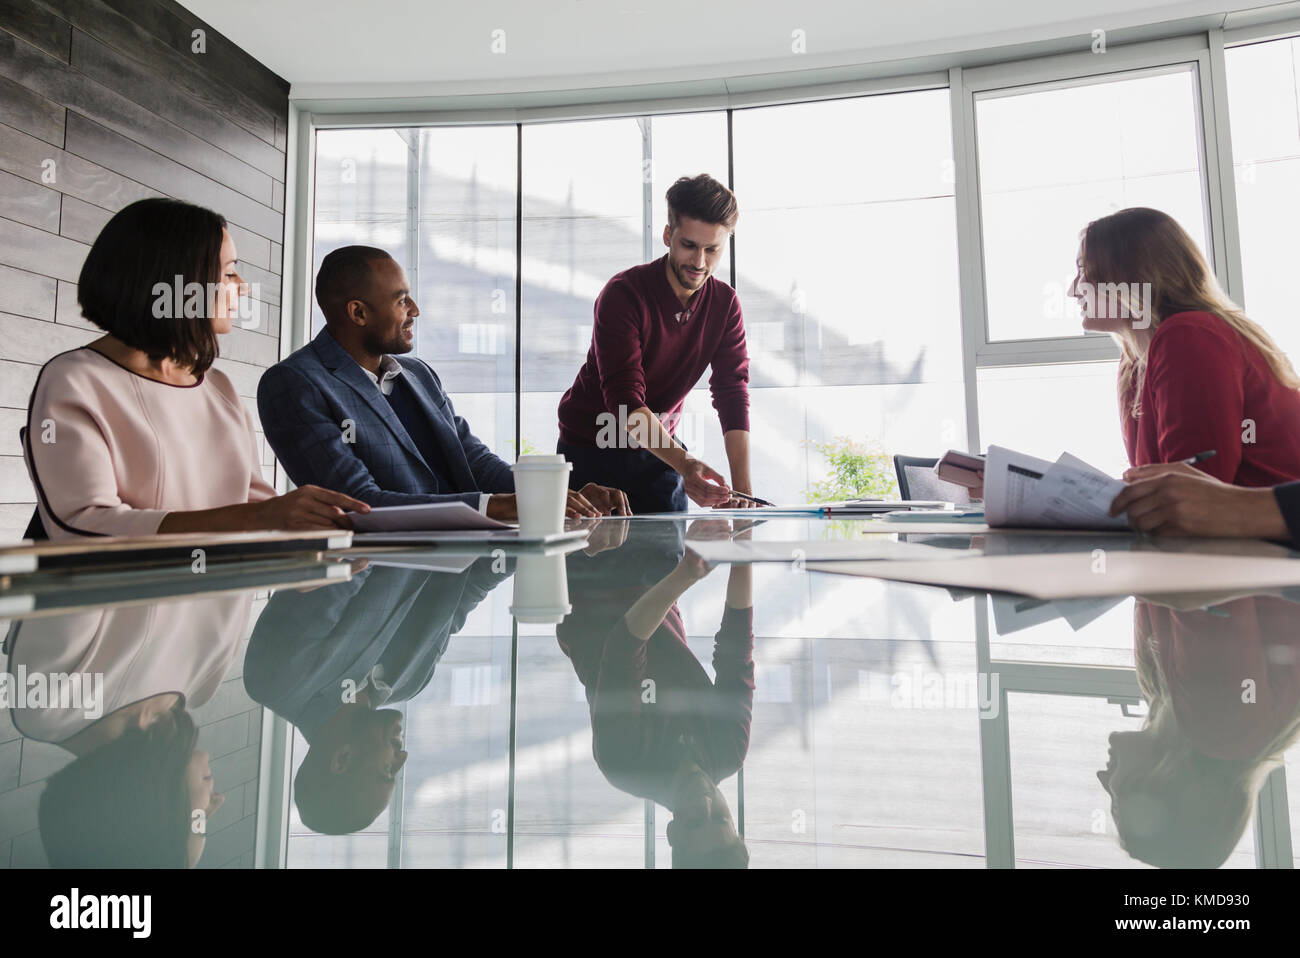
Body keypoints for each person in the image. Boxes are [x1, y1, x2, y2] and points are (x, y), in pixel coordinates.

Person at [24, 198, 368, 539]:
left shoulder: (219, 387)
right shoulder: (75, 380)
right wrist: (262, 517)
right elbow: (82, 524)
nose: (243, 287)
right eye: (229, 272)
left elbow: (259, 510)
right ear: (178, 280)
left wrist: (323, 531)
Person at [258, 246, 627, 521]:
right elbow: (360, 504)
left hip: (449, 590)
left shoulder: (419, 375)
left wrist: (562, 496)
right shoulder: (295, 384)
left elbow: (475, 462)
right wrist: (503, 507)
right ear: (358, 312)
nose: (415, 309)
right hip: (376, 594)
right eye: (401, 300)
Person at [555, 174, 755, 514]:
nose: (700, 262)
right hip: (591, 452)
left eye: (713, 250)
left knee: (668, 559)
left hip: (661, 455)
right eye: (689, 245)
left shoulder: (725, 304)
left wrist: (743, 494)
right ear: (668, 236)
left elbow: (732, 391)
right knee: (590, 564)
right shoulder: (623, 295)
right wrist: (686, 463)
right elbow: (624, 399)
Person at [1070, 207, 1300, 487]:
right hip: (1232, 526)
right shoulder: (1134, 362)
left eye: (1083, 270)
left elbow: (1195, 492)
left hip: (1264, 528)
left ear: (1129, 274)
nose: (1073, 289)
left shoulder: (1189, 336)